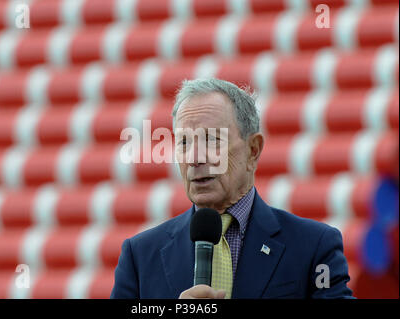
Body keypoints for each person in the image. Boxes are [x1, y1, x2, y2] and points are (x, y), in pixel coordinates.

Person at [110, 78, 354, 299]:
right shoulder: (140, 256)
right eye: (184, 142)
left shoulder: (314, 246)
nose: (195, 157)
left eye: (212, 140)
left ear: (253, 150)